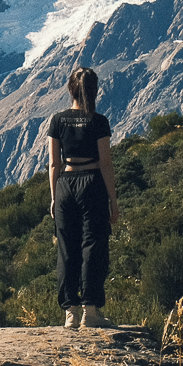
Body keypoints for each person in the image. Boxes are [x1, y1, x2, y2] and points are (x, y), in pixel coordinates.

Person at [46, 66, 119, 329]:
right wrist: (113, 199)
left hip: (65, 184)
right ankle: (91, 310)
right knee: (93, 245)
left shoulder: (58, 120)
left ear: (71, 89)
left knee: (67, 248)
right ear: (94, 90)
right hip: (92, 184)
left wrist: (54, 197)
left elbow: (53, 164)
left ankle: (70, 312)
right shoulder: (99, 121)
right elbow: (106, 163)